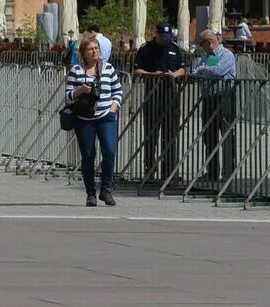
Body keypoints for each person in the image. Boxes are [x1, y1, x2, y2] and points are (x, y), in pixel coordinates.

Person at [66, 34, 124, 206]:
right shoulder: (76, 71)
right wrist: (80, 91)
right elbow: (68, 96)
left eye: (96, 48)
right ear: (83, 53)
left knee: (109, 151)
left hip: (106, 117)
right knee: (88, 155)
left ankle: (106, 189)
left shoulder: (108, 68)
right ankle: (90, 193)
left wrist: (114, 108)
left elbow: (118, 91)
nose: (94, 52)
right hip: (84, 119)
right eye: (90, 49)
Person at [132, 25, 189, 181]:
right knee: (151, 133)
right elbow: (136, 70)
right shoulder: (145, 49)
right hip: (152, 96)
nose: (166, 40)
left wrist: (174, 74)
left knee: (170, 134)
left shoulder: (174, 48)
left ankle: (170, 170)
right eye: (163, 37)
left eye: (168, 37)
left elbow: (183, 69)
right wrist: (152, 74)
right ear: (156, 34)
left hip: (171, 95)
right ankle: (149, 169)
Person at [192, 28, 239, 182]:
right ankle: (211, 173)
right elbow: (195, 72)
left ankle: (228, 173)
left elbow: (219, 71)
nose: (201, 47)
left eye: (201, 43)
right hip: (209, 100)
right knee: (209, 137)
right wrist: (203, 71)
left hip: (225, 98)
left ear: (210, 42)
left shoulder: (226, 55)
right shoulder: (206, 56)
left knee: (226, 137)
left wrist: (203, 70)